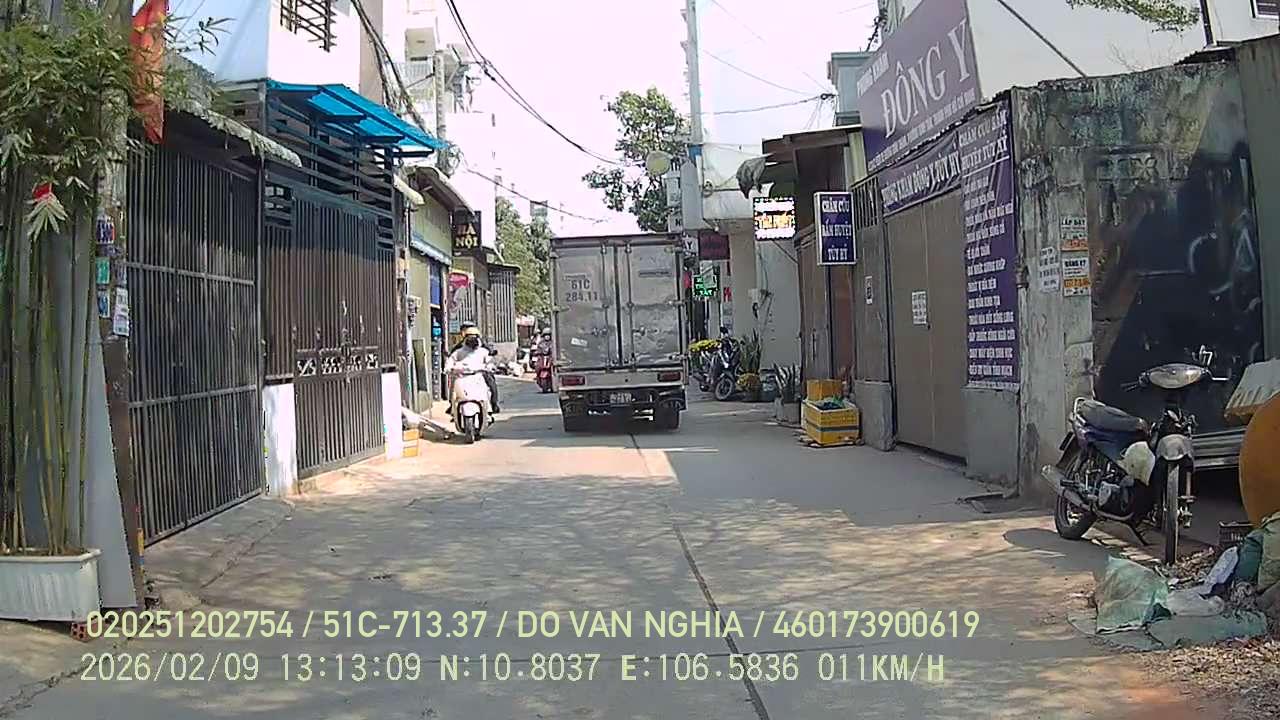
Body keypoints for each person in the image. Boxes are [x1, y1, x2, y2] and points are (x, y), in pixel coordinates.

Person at [448, 323, 500, 413]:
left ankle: (493, 403)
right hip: (463, 374)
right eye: (468, 335)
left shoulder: (482, 348)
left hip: (479, 372)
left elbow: (489, 356)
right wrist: (450, 367)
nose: (471, 339)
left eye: (473, 336)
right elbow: (452, 356)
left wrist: (489, 365)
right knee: (453, 386)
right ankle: (453, 406)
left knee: (491, 383)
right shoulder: (460, 348)